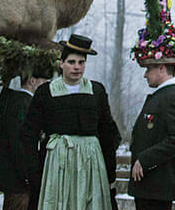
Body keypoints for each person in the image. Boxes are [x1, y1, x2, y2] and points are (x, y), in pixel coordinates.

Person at [17, 33, 121, 210]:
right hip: (57, 165)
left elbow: (107, 133)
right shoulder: (46, 92)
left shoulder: (96, 91)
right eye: (72, 62)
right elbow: (29, 134)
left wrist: (110, 174)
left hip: (90, 166)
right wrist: (34, 174)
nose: (77, 67)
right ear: (61, 63)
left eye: (81, 63)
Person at [129, 60, 175, 210]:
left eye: (148, 69)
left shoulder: (173, 97)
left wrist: (145, 160)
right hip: (150, 187)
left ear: (161, 68)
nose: (145, 75)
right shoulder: (163, 95)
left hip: (158, 186)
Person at [0, 63, 52, 210]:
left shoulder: (10, 100)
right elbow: (20, 143)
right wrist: (28, 176)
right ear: (32, 81)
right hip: (19, 180)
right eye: (44, 83)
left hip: (14, 177)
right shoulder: (23, 104)